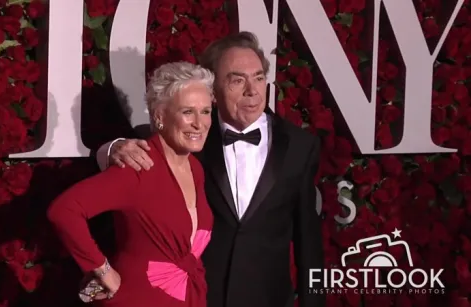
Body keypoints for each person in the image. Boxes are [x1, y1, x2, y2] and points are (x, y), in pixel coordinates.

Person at [96, 32, 325, 307]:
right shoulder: (190, 134)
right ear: (213, 90)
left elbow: (308, 243)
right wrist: (114, 148)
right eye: (237, 80)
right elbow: (135, 146)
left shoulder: (300, 146)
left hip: (269, 299)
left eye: (259, 78)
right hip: (197, 296)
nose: (252, 90)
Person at [47, 61, 216, 307]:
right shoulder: (139, 167)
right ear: (160, 116)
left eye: (206, 111)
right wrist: (103, 270)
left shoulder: (195, 169)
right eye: (187, 112)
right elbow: (64, 210)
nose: (199, 124)